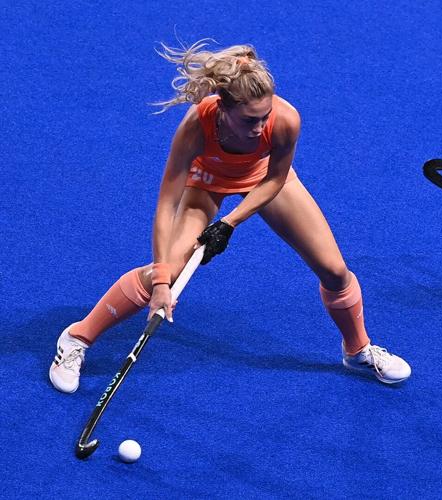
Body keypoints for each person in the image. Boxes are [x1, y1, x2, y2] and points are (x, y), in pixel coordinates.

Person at [49, 40, 411, 391]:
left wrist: (228, 223)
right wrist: (161, 282)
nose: (259, 127)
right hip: (206, 183)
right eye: (250, 120)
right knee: (168, 271)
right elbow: (166, 205)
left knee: (334, 271)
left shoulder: (285, 120)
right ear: (223, 108)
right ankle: (77, 338)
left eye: (264, 117)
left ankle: (357, 349)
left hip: (265, 181)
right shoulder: (196, 125)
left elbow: (276, 179)